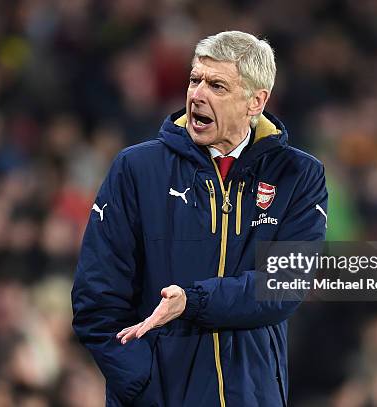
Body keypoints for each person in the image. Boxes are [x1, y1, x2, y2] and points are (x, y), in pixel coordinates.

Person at [72, 30, 328, 407]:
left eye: (218, 86)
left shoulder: (298, 175)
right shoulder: (137, 169)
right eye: (195, 80)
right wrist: (145, 386)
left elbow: (282, 285)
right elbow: (96, 301)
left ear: (255, 102)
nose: (197, 95)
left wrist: (192, 302)